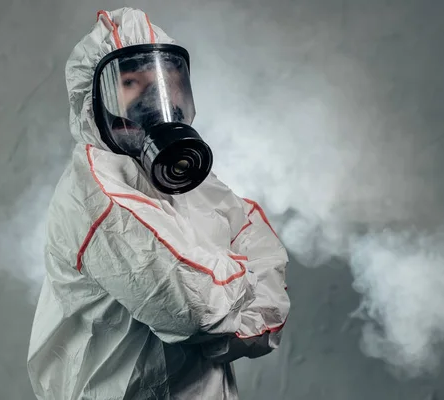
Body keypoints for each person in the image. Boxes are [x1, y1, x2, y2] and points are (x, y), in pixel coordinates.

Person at [27, 7, 290, 400]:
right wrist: (241, 274)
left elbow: (250, 230)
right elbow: (201, 312)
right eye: (131, 81)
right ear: (94, 101)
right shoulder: (98, 197)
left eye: (163, 78)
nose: (153, 95)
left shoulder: (171, 173)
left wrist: (217, 273)